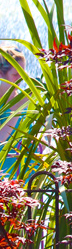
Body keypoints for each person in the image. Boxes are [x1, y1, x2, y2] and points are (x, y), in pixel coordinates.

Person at [0, 46, 26, 176]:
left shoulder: (23, 101)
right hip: (5, 175)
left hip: (28, 175)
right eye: (16, 74)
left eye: (23, 74)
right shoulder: (19, 102)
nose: (21, 80)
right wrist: (16, 110)